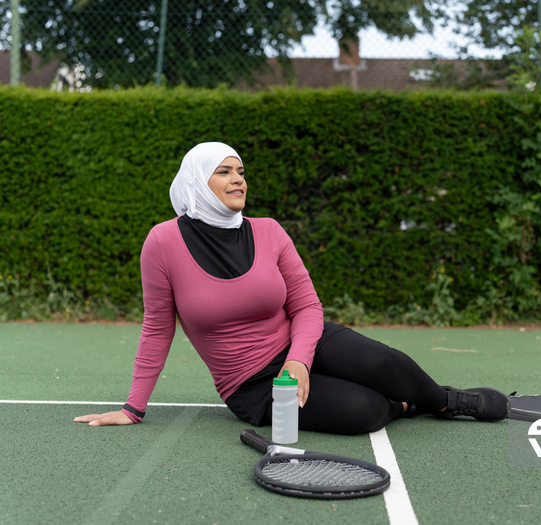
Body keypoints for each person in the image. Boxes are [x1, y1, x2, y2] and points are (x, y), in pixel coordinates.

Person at [74, 142, 510, 434]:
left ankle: (446, 401)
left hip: (303, 343)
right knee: (366, 411)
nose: (238, 179)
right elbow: (156, 328)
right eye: (223, 172)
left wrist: (300, 360)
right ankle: (405, 405)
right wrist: (133, 408)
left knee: (383, 360)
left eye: (240, 171)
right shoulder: (162, 242)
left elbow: (307, 306)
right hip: (251, 383)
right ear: (195, 182)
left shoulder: (268, 231)